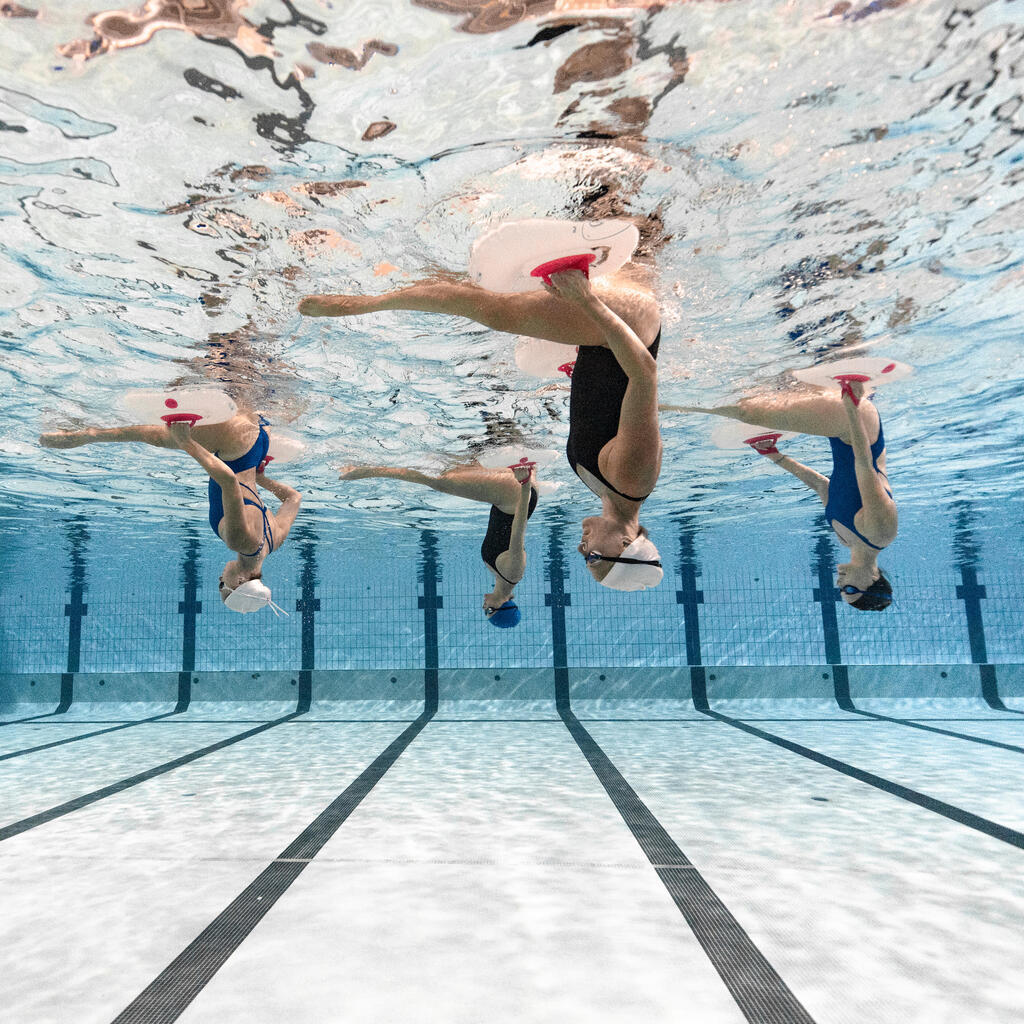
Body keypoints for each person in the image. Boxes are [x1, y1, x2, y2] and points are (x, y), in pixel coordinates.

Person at [299, 262, 664, 590]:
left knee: (487, 296)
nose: (582, 549)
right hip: (624, 326)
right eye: (594, 558)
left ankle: (408, 270)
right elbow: (644, 375)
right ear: (625, 545)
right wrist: (586, 301)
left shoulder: (610, 492)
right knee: (494, 309)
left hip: (605, 340)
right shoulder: (632, 479)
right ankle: (362, 304)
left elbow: (604, 400)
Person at [40, 411, 301, 613]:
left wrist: (261, 478)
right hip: (236, 445)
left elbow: (293, 498)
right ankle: (85, 434)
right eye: (223, 584)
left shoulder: (273, 542)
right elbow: (229, 481)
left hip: (259, 442)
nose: (221, 578)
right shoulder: (239, 541)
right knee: (150, 435)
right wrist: (186, 443)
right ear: (240, 580)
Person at [668, 378, 896, 610]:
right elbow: (864, 465)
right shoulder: (880, 533)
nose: (840, 584)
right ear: (872, 580)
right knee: (750, 412)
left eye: (841, 590)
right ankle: (670, 402)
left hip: (842, 433)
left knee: (784, 391)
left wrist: (774, 455)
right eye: (849, 589)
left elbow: (821, 486)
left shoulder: (846, 539)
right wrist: (852, 407)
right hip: (859, 429)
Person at [339, 461, 537, 626]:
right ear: (504, 605)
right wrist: (525, 484)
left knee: (456, 468)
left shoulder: (501, 577)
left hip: (507, 497)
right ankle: (365, 471)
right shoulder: (513, 573)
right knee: (438, 481)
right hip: (515, 496)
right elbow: (519, 528)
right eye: (490, 611)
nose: (484, 607)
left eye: (486, 612)